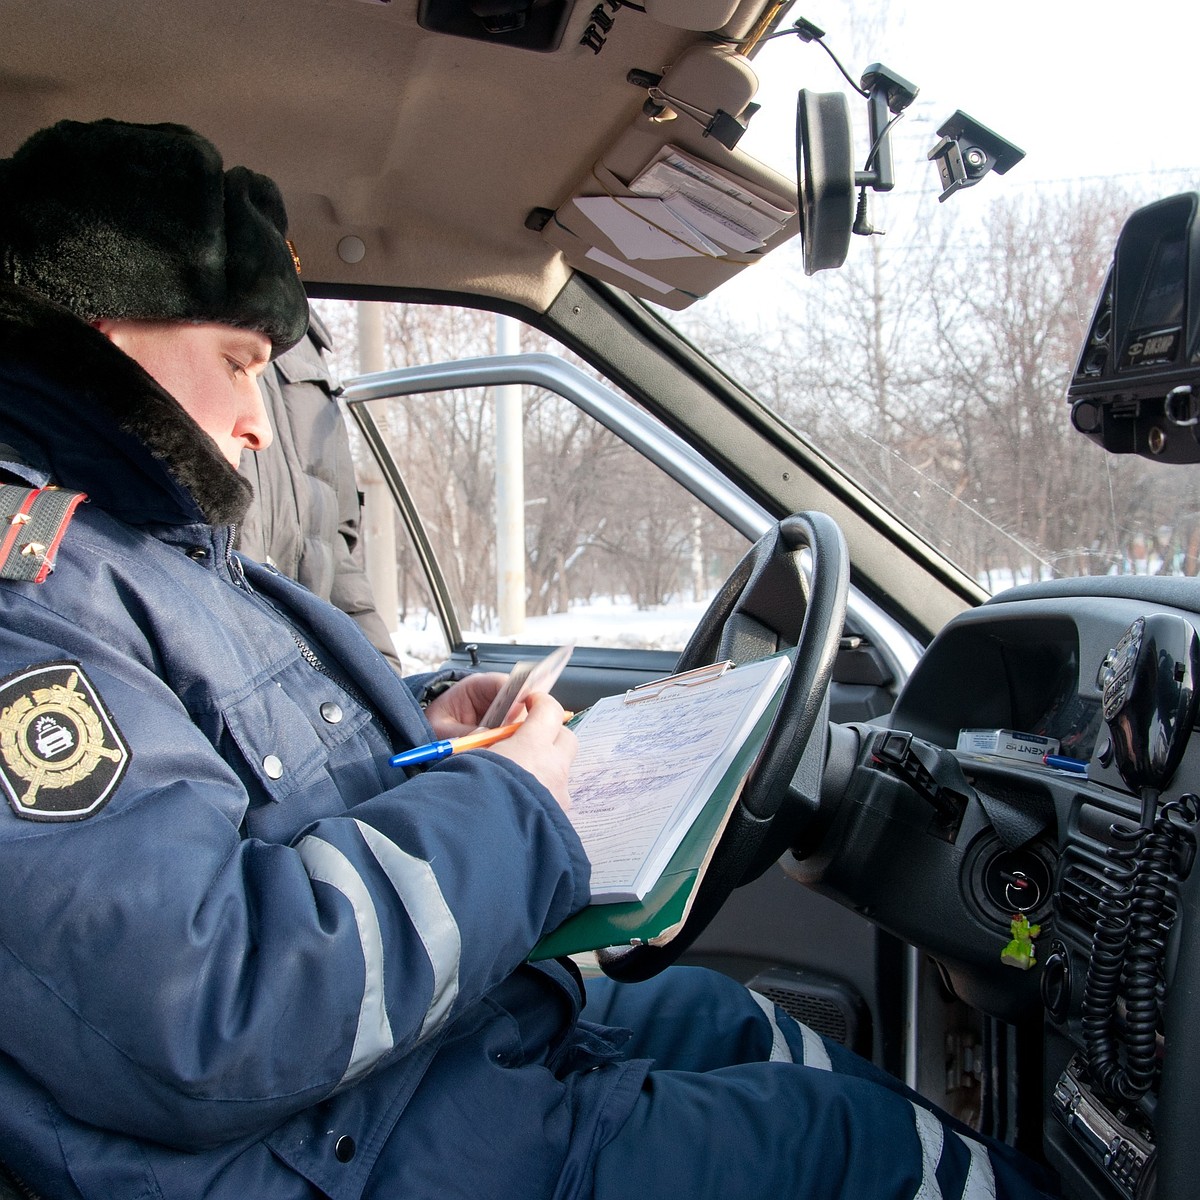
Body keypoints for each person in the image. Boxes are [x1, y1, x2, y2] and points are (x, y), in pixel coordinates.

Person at [0, 118, 1058, 1200]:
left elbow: (261, 790)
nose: (256, 422)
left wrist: (432, 734)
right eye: (237, 363)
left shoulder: (145, 556)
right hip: (345, 1150)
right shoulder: (31, 611)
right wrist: (511, 798)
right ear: (101, 321)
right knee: (841, 1151)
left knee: (732, 1023)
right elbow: (215, 1009)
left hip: (418, 1070)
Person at [237, 307, 405, 672]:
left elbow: (335, 547)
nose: (258, 429)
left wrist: (400, 701)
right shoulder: (184, 294)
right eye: (232, 366)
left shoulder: (306, 337)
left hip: (311, 685)